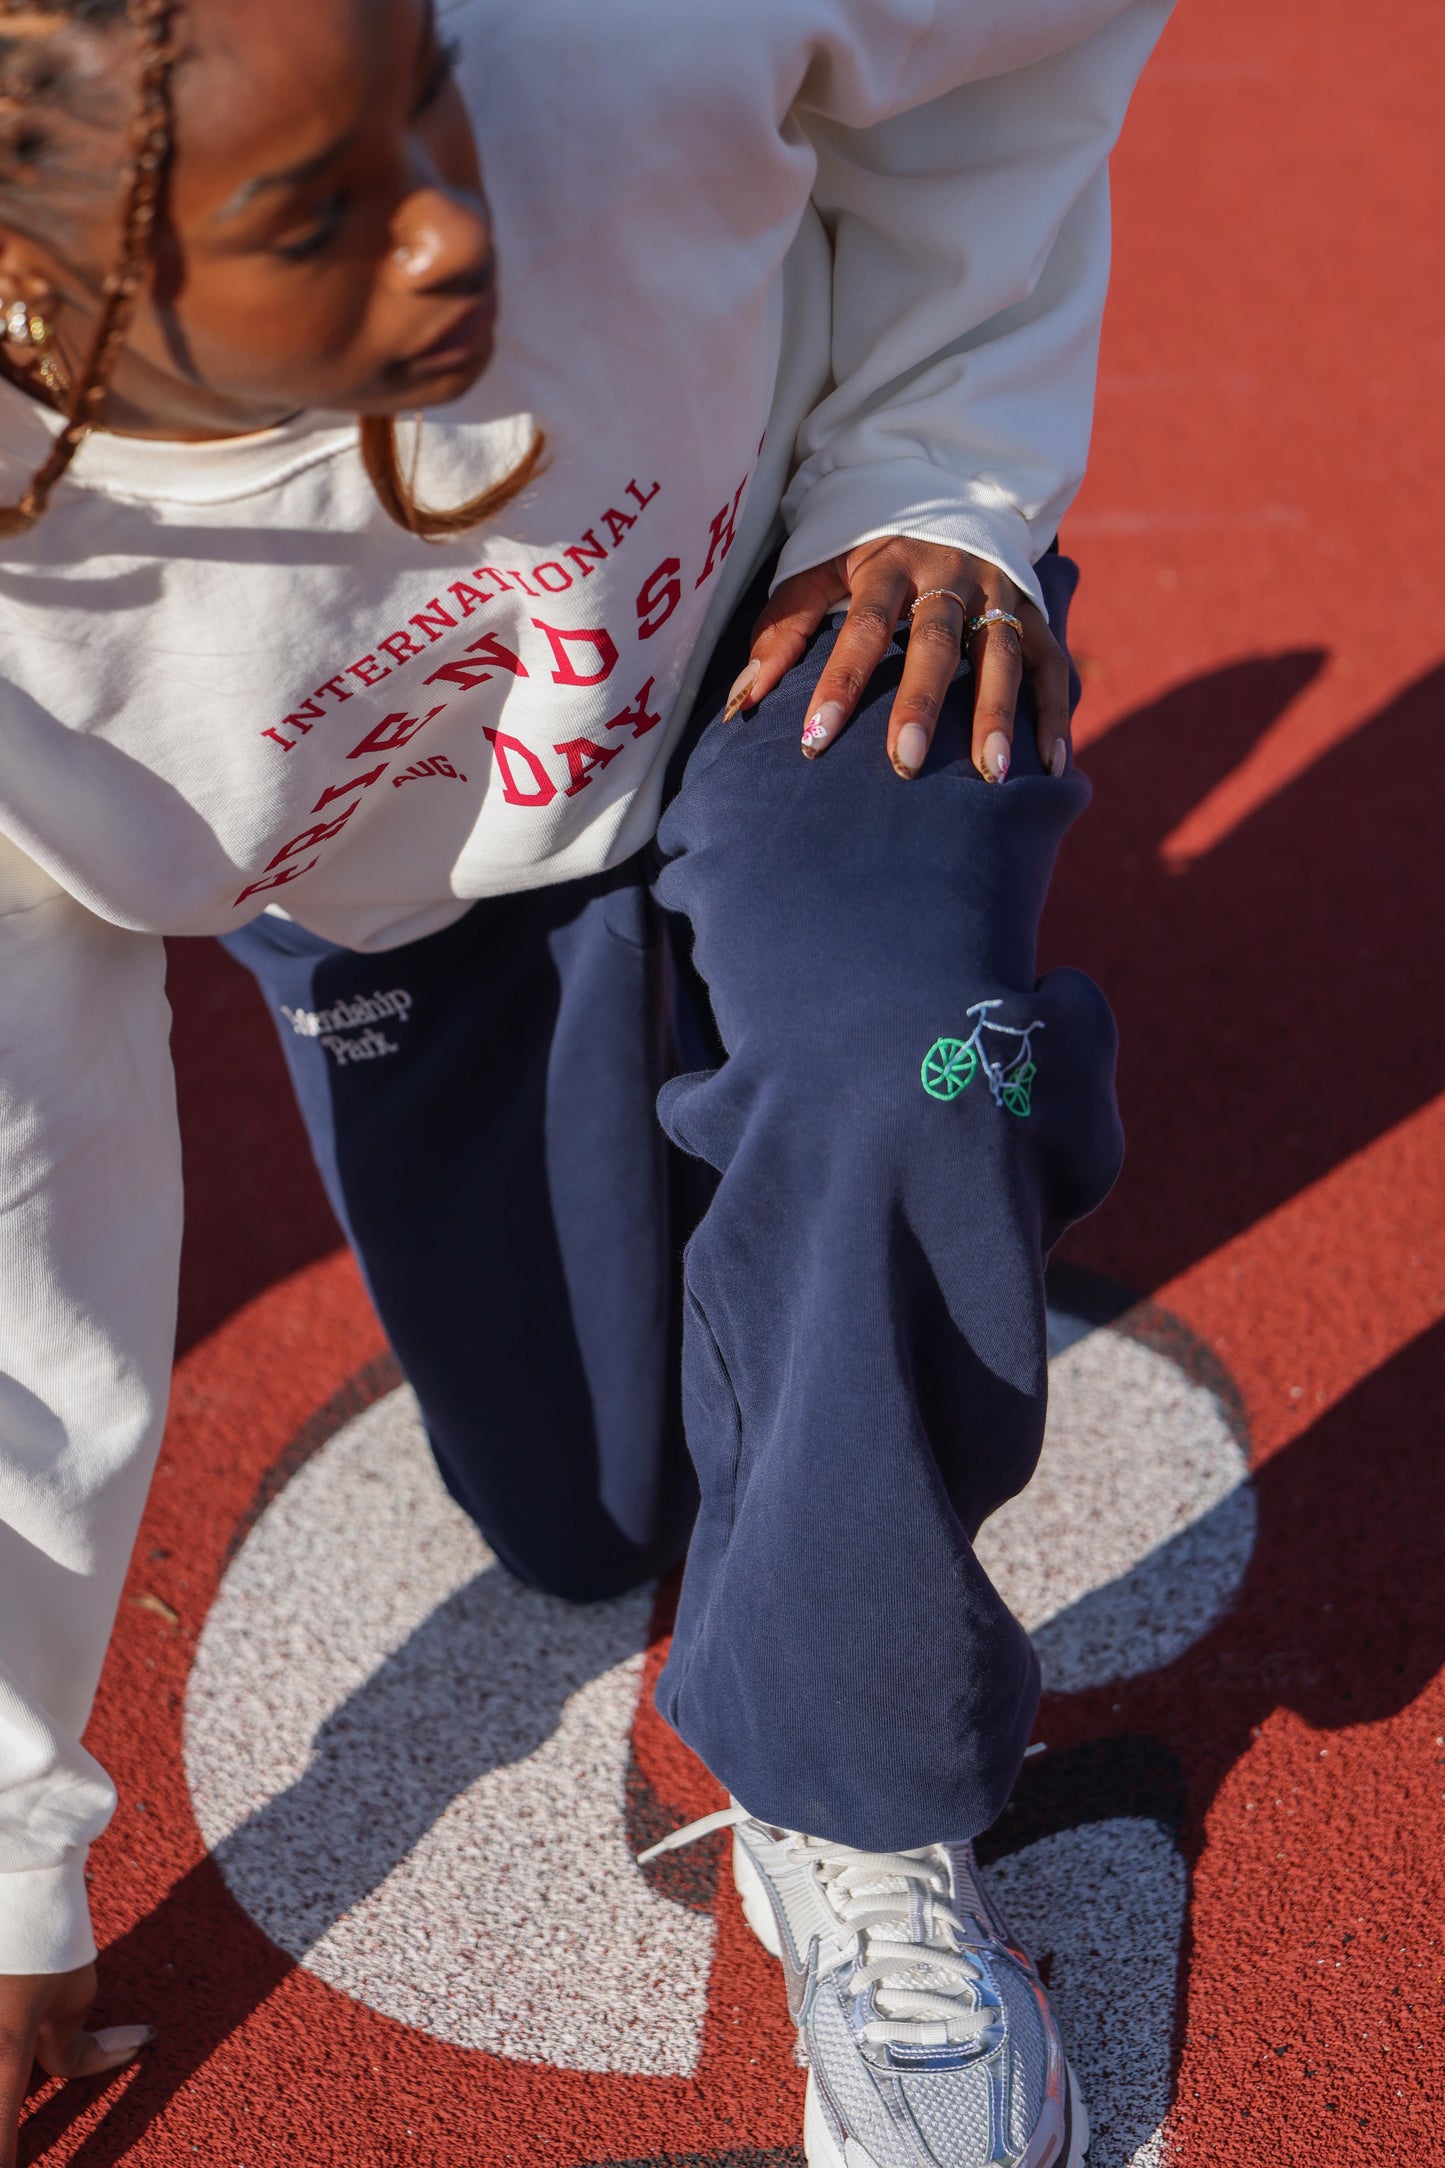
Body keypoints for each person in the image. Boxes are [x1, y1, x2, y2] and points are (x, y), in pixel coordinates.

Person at [0, 0, 1170, 2161]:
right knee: (585, 1519)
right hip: (404, 864)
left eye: (437, 85)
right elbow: (23, 1249)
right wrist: (8, 1858)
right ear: (35, 290)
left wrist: (938, 464)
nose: (455, 230)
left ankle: (869, 1802)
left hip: (795, 624)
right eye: (319, 213)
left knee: (891, 1058)